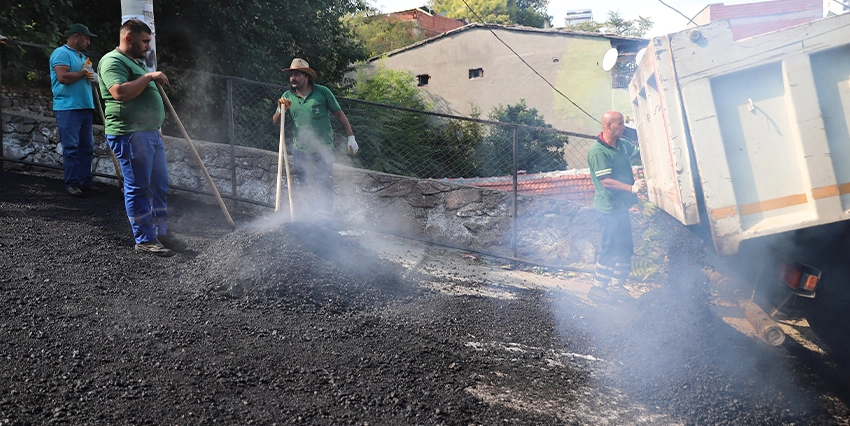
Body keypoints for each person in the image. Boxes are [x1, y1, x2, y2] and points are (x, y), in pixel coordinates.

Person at [98, 19, 186, 256]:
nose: (148, 46)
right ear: (129, 38)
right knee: (138, 187)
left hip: (149, 133)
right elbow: (119, 92)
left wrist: (156, 127)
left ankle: (161, 231)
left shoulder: (135, 62)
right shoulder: (112, 61)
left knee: (159, 185)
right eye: (145, 41)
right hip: (129, 135)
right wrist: (149, 77)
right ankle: (145, 238)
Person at [272, 58, 358, 221]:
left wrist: (351, 137)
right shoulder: (287, 96)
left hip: (323, 149)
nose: (292, 78)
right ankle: (314, 216)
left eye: (296, 74)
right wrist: (282, 108)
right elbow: (276, 122)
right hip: (300, 151)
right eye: (291, 75)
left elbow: (340, 115)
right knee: (305, 185)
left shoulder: (323, 92)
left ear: (306, 76)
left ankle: (325, 219)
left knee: (324, 183)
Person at [586, 111, 645, 304]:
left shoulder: (622, 145)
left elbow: (640, 154)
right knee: (610, 247)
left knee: (626, 248)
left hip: (621, 207)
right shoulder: (598, 151)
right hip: (608, 209)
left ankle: (618, 287)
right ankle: (598, 288)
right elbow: (606, 181)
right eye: (620, 124)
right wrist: (632, 188)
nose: (624, 127)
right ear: (609, 126)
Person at [50, 23, 104, 197]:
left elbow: (88, 75)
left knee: (86, 147)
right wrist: (84, 73)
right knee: (72, 148)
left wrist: (95, 78)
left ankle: (84, 181)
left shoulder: (83, 58)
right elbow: (63, 77)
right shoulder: (61, 53)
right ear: (76, 36)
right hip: (68, 107)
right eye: (86, 38)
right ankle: (72, 183)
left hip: (85, 107)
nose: (88, 42)